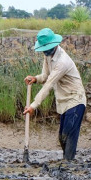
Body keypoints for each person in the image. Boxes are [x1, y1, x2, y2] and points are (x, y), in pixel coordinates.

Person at [23, 28, 87, 161]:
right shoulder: (47, 56)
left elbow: (49, 84)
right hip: (63, 101)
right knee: (61, 137)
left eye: (48, 48)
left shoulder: (62, 61)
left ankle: (68, 163)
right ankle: (68, 162)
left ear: (55, 44)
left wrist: (33, 106)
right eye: (44, 49)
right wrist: (35, 79)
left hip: (75, 99)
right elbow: (46, 76)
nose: (46, 52)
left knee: (68, 133)